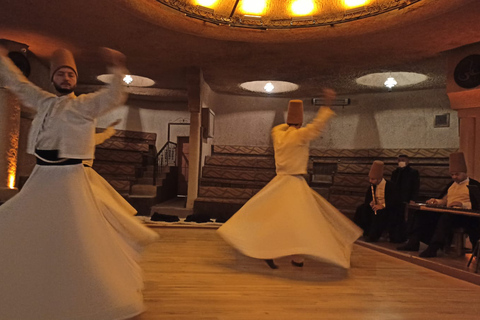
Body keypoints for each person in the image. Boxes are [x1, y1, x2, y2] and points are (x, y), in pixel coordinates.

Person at [0, 46, 155, 319]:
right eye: (61, 74)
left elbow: (113, 95)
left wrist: (118, 69)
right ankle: (38, 278)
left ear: (75, 79)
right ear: (53, 79)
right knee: (23, 224)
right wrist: (2, 60)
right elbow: (17, 83)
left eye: (70, 74)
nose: (66, 78)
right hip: (42, 176)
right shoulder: (43, 101)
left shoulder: (85, 105)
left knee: (76, 237)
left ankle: (88, 290)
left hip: (69, 178)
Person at [217, 89, 363, 269]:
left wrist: (292, 121)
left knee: (279, 220)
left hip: (279, 182)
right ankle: (295, 257)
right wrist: (327, 105)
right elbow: (317, 125)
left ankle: (290, 255)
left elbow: (280, 127)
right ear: (300, 122)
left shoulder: (278, 134)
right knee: (300, 221)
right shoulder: (300, 135)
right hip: (294, 183)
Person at [85, 120, 159, 257]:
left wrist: (108, 131)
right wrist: (108, 131)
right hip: (81, 173)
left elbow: (98, 138)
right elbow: (99, 138)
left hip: (82, 173)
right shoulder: (84, 137)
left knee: (100, 204)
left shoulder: (85, 137)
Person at [405, 152, 480, 258]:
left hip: (466, 217)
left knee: (446, 218)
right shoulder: (451, 185)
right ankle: (413, 242)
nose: (454, 177)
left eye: (457, 174)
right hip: (449, 212)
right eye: (452, 174)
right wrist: (437, 201)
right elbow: (445, 200)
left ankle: (434, 247)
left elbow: (478, 204)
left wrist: (462, 204)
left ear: (464, 172)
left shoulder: (474, 185)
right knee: (420, 214)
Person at [353, 160, 405, 243]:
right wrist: (371, 203)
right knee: (361, 209)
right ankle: (358, 231)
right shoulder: (372, 186)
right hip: (375, 207)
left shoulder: (391, 186)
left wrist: (382, 206)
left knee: (380, 213)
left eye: (373, 179)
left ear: (379, 178)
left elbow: (396, 201)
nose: (371, 181)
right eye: (370, 178)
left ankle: (373, 236)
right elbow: (368, 199)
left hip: (388, 208)